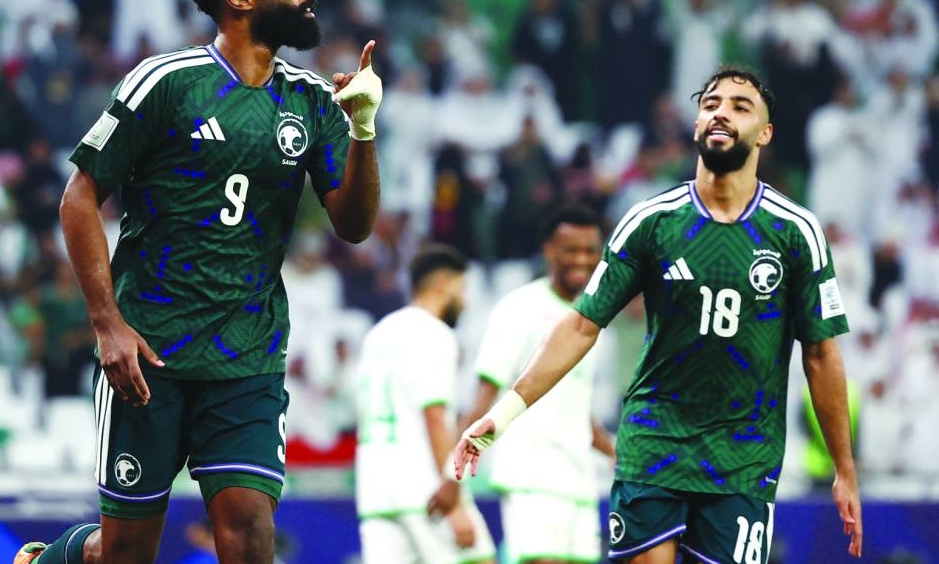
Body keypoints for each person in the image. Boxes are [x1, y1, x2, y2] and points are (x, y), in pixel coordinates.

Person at [14, 0, 382, 564]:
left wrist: (364, 129)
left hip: (248, 355)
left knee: (249, 533)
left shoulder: (312, 100)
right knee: (126, 552)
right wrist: (107, 324)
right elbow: (78, 197)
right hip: (149, 354)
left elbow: (353, 226)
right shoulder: (167, 82)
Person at [455, 69, 863, 563]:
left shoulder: (795, 232)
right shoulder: (651, 221)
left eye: (740, 106)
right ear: (696, 125)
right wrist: (500, 416)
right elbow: (583, 324)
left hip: (743, 459)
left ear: (765, 133)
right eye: (711, 103)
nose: (721, 112)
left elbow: (821, 353)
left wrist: (844, 468)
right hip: (655, 446)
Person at [462, 202, 615, 564]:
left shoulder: (592, 320)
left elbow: (575, 406)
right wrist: (458, 468)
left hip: (580, 480)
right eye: (571, 250)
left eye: (590, 251)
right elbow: (487, 390)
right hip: (533, 474)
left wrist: (614, 455)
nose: (582, 259)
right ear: (549, 251)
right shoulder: (519, 308)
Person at [355, 243, 495, 564]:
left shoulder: (377, 334)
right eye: (462, 289)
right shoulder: (433, 334)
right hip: (425, 492)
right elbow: (434, 417)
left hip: (375, 494)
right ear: (444, 285)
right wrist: (454, 499)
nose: (465, 300)